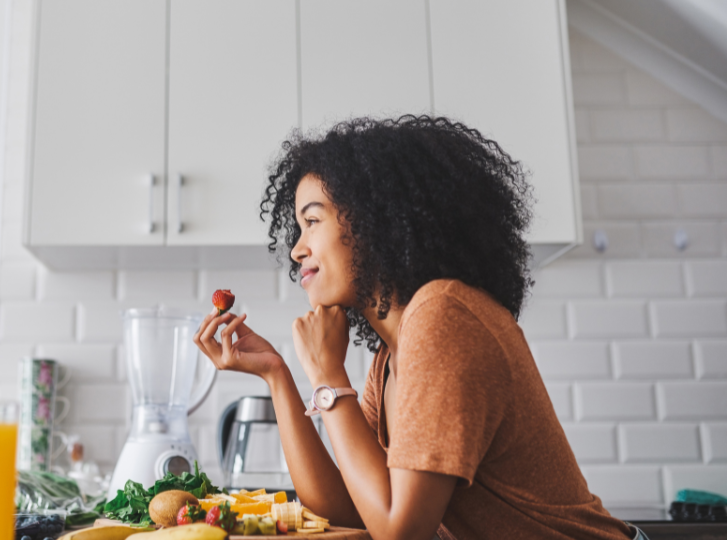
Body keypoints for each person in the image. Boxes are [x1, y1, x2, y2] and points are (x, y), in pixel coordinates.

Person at [193, 116, 647, 540]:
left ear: (375, 221)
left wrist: (329, 376)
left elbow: (399, 532)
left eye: (312, 221)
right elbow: (349, 507)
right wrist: (278, 375)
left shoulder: (443, 315)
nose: (296, 249)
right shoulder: (389, 358)